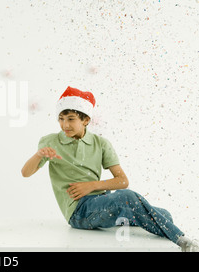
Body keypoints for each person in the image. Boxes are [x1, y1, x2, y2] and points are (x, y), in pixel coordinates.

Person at [21, 86, 198, 252]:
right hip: (79, 212)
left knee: (164, 214)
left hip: (102, 201)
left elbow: (122, 181)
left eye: (71, 119)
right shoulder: (50, 141)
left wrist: (90, 186)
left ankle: (127, 216)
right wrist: (39, 155)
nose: (64, 125)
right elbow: (25, 173)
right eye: (61, 119)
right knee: (130, 199)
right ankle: (182, 240)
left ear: (86, 120)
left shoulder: (101, 143)